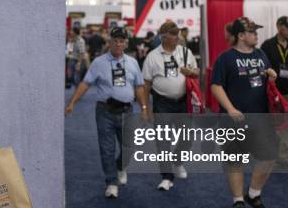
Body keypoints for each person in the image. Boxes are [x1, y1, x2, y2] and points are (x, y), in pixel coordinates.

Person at [65, 27, 148, 198]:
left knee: (130, 146)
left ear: (126, 43)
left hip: (127, 111)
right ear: (110, 42)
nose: (118, 43)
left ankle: (120, 167)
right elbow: (85, 83)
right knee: (107, 149)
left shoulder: (132, 63)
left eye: (122, 40)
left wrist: (145, 108)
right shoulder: (99, 62)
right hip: (105, 112)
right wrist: (72, 102)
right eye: (115, 40)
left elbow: (139, 87)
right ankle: (111, 182)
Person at [211, 17, 278, 208]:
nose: (256, 35)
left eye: (256, 32)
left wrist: (271, 76)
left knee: (269, 156)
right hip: (234, 119)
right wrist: (230, 108)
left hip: (261, 118)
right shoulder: (225, 58)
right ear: (241, 35)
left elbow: (264, 79)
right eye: (252, 32)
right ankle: (238, 200)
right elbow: (216, 85)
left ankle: (254, 194)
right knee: (234, 161)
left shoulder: (261, 54)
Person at [142, 21, 199, 191]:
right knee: (163, 141)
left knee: (187, 138)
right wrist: (146, 108)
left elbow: (197, 73)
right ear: (164, 37)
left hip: (183, 101)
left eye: (178, 34)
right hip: (162, 103)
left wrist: (191, 73)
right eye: (174, 34)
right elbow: (146, 84)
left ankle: (178, 160)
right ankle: (167, 176)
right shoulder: (153, 56)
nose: (178, 37)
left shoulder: (186, 52)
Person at [260, 16, 288, 170]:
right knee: (271, 124)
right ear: (279, 26)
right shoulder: (267, 45)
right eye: (287, 27)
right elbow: (262, 69)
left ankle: (281, 157)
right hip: (272, 93)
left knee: (285, 126)